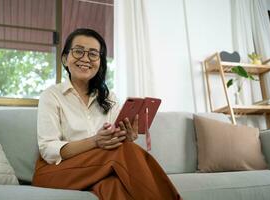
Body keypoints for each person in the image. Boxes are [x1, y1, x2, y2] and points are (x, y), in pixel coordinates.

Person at [32, 28, 182, 200]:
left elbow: (114, 140)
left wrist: (126, 135)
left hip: (100, 169)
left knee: (113, 186)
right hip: (55, 172)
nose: (86, 58)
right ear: (65, 58)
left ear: (100, 63)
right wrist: (95, 141)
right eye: (78, 51)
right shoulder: (51, 96)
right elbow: (48, 150)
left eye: (93, 54)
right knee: (121, 152)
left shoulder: (109, 98)